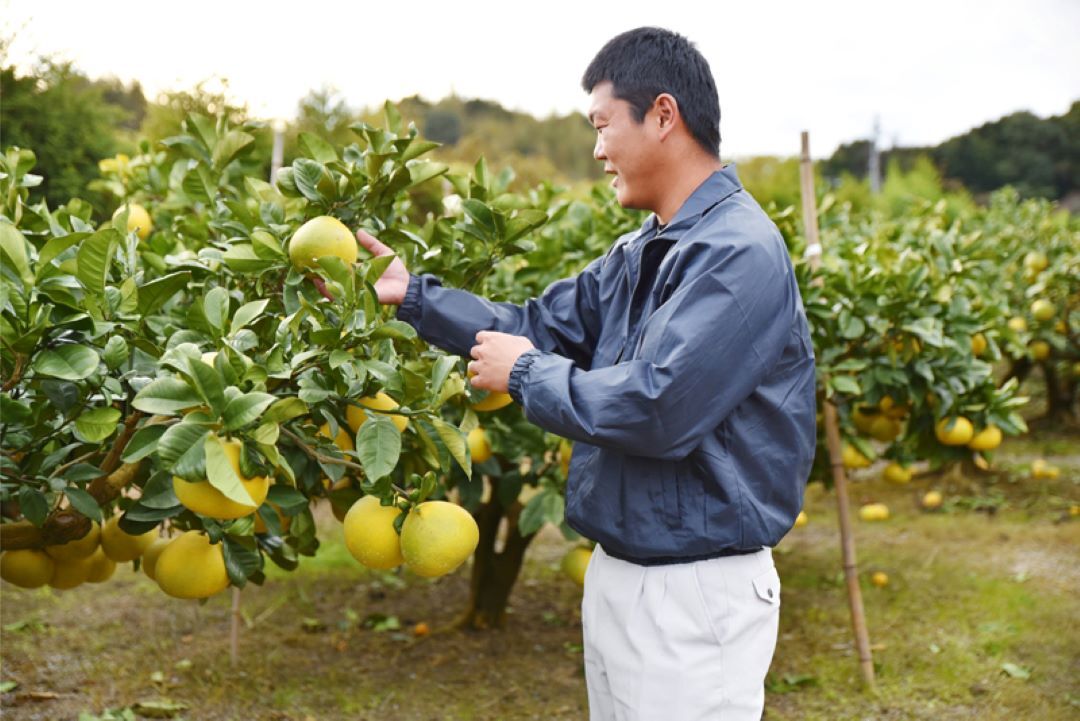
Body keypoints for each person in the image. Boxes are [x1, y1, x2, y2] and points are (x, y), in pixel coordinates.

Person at [356, 26, 816, 721]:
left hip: (693, 590)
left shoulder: (738, 253)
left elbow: (661, 407)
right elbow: (538, 326)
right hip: (622, 572)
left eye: (603, 125)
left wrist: (528, 375)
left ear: (663, 115)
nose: (597, 150)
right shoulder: (644, 249)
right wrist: (414, 297)